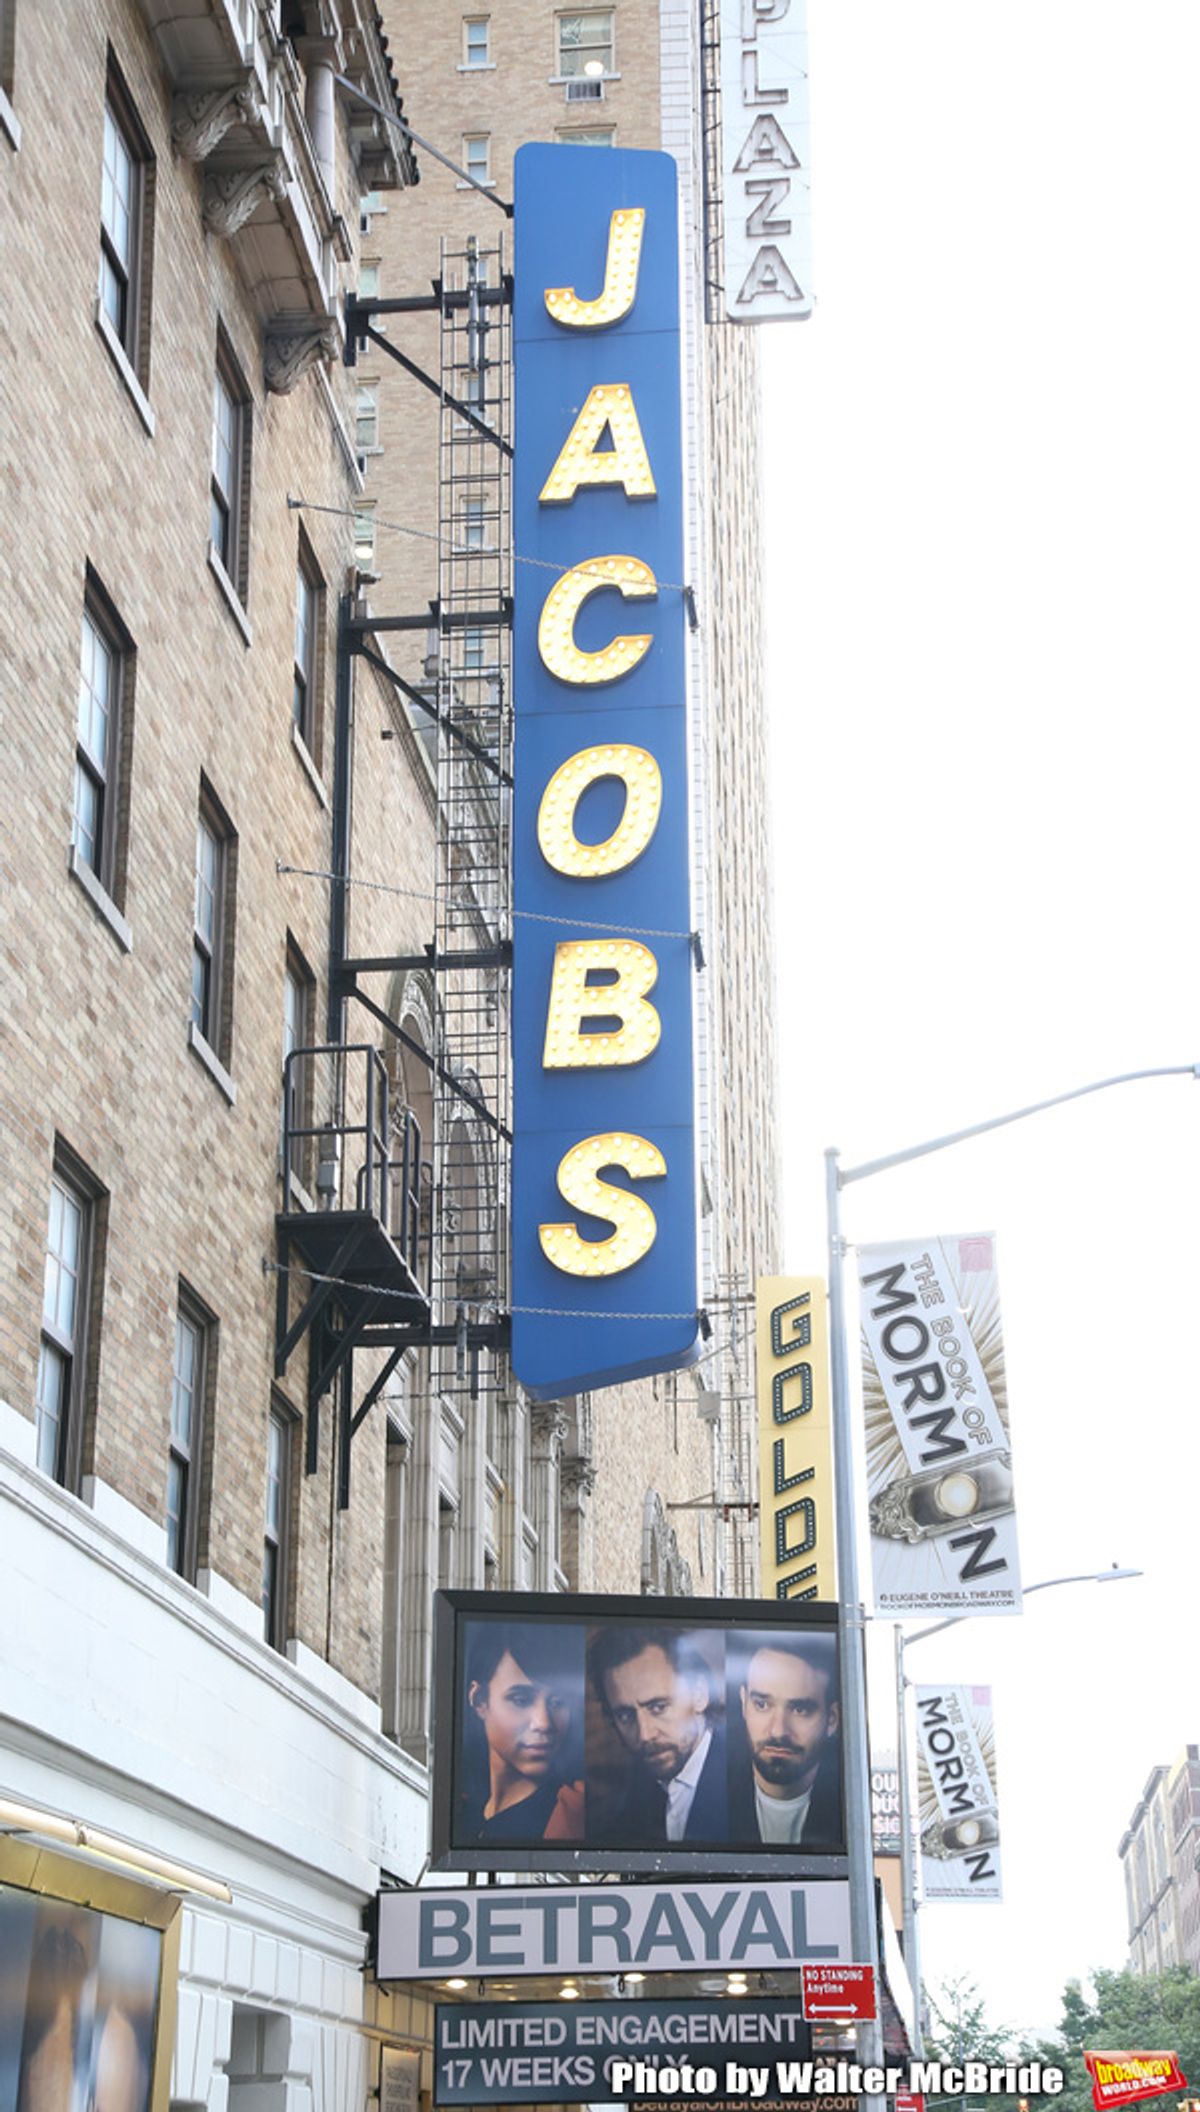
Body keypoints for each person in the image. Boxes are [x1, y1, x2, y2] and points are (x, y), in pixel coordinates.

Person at [588, 1626, 727, 1845]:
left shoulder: (747, 1782)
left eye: (658, 1707)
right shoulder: (631, 1800)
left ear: (700, 1694)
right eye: (625, 1716)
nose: (645, 1734)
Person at [458, 1621, 585, 1844]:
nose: (543, 1723)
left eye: (557, 1702)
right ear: (479, 1701)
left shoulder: (571, 1814)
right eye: (521, 1699)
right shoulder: (461, 1812)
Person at [729, 1632, 843, 1849]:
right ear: (744, 1703)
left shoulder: (847, 1809)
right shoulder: (715, 1800)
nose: (778, 1731)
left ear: (832, 1719)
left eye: (800, 1709)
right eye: (762, 1705)